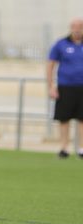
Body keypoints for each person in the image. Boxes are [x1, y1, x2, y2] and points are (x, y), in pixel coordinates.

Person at [47, 18, 83, 159]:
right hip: (65, 86)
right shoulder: (61, 44)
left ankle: (81, 148)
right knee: (64, 118)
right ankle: (64, 148)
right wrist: (51, 85)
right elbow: (50, 64)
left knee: (82, 119)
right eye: (74, 26)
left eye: (80, 26)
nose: (77, 29)